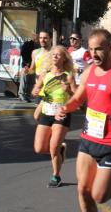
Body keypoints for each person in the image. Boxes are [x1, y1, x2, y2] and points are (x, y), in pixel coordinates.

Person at [55, 29, 111, 211]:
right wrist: (64, 108)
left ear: (110, 48)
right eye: (91, 49)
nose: (94, 54)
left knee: (99, 196)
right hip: (88, 140)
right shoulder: (89, 71)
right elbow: (78, 99)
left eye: (99, 49)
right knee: (83, 190)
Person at [32, 46, 77, 188]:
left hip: (62, 112)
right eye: (54, 55)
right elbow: (35, 90)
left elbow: (77, 97)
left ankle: (56, 176)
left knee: (53, 146)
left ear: (64, 58)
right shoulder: (45, 75)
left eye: (59, 55)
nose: (56, 57)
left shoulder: (68, 75)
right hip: (46, 111)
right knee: (39, 149)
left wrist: (68, 90)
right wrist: (36, 90)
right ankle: (60, 150)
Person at [25, 31, 52, 106]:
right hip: (39, 90)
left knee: (49, 115)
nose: (42, 40)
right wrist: (27, 71)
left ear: (51, 39)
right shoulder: (35, 52)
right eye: (40, 38)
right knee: (39, 116)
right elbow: (32, 70)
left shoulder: (55, 53)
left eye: (45, 38)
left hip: (52, 90)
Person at [19, 33, 39, 102]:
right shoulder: (28, 44)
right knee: (24, 81)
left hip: (32, 66)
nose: (38, 40)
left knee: (30, 82)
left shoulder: (37, 46)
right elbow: (22, 53)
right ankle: (22, 96)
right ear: (34, 38)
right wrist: (26, 64)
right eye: (37, 38)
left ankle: (26, 96)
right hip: (26, 66)